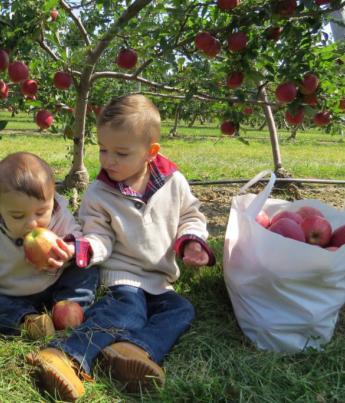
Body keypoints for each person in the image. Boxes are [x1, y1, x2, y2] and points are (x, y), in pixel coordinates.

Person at [28, 95, 215, 400]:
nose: (109, 160)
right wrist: (79, 250)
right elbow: (99, 236)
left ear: (150, 153)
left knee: (182, 310)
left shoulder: (174, 182)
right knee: (127, 311)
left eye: (121, 153)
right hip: (123, 276)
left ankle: (132, 350)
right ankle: (65, 355)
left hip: (161, 280)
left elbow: (190, 216)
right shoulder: (99, 194)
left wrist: (192, 240)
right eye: (103, 150)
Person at [0, 152, 98, 340]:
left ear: (52, 200)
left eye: (41, 212)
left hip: (53, 281)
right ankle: (28, 321)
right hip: (9, 292)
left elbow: (77, 234)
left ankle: (69, 307)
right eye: (18, 216)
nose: (32, 224)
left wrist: (69, 249)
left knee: (86, 266)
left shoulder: (58, 215)